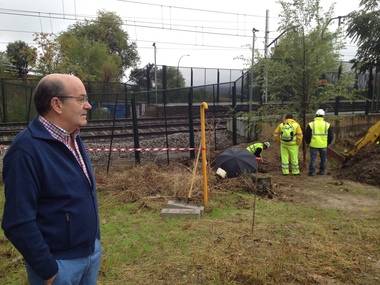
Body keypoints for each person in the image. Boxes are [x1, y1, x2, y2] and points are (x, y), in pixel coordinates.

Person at [1, 74, 101, 285]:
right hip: (60, 265)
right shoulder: (25, 151)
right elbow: (17, 221)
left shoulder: (73, 136)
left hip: (90, 254)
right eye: (81, 98)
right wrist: (49, 271)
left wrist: (95, 241)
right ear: (57, 104)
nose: (88, 105)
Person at [305, 108, 334, 176]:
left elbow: (307, 135)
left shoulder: (311, 124)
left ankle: (312, 172)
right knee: (323, 159)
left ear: (316, 115)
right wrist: (327, 143)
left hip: (313, 144)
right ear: (323, 116)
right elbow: (331, 136)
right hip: (323, 145)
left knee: (313, 159)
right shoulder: (327, 124)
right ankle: (322, 171)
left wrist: (308, 142)